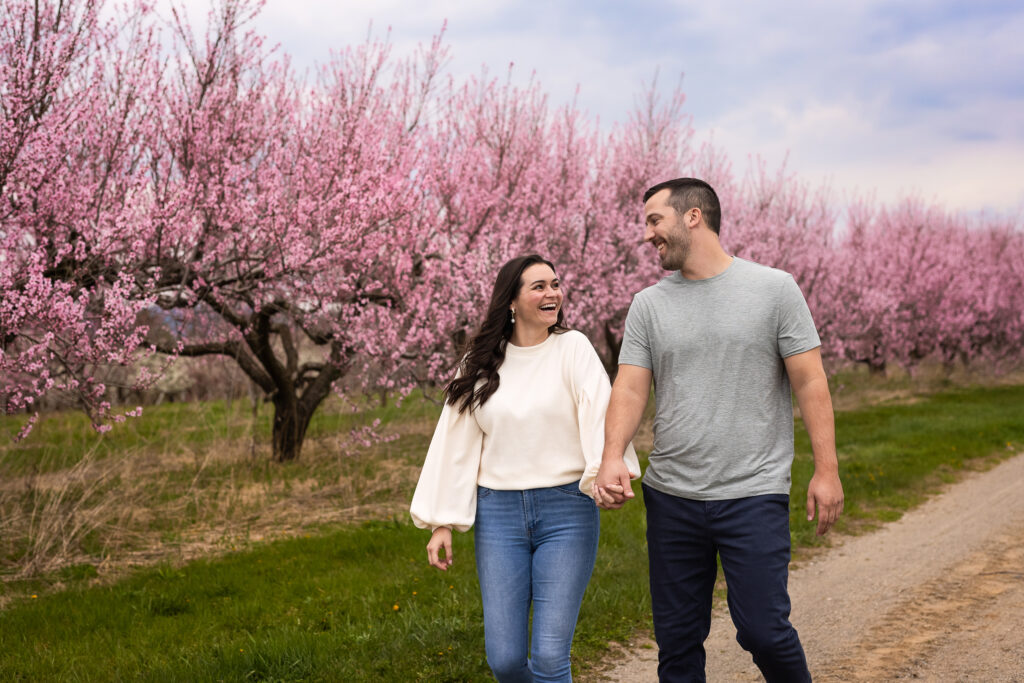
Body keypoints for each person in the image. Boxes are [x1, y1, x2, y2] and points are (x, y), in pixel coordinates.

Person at [594, 178, 844, 682]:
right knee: (678, 641)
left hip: (753, 491)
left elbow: (811, 380)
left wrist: (827, 470)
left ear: (693, 216)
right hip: (672, 497)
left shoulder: (774, 289)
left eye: (654, 220)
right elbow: (630, 389)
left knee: (763, 631)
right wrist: (611, 454)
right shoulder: (648, 304)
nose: (647, 235)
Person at [411, 254, 640, 683]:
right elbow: (454, 444)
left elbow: (600, 415)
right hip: (498, 517)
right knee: (505, 661)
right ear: (511, 301)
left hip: (567, 513)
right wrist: (441, 521)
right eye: (538, 286)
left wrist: (606, 474)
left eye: (555, 283)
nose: (552, 292)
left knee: (552, 658)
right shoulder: (479, 364)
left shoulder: (573, 348)